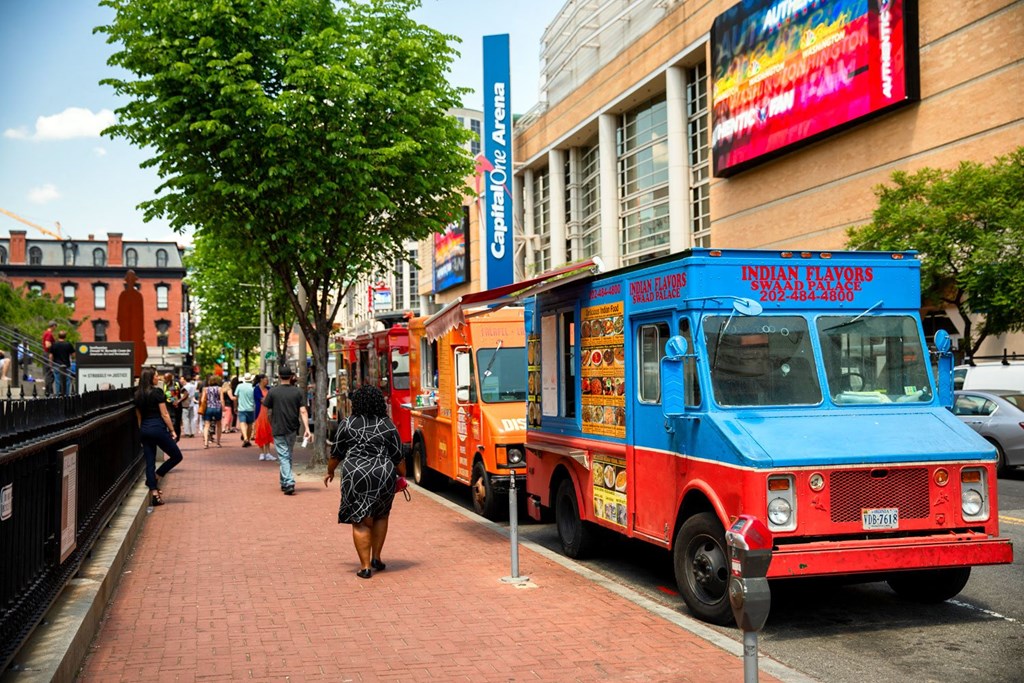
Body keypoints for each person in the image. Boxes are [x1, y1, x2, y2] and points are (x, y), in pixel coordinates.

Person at [324, 385, 404, 578]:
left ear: (356, 403)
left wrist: (330, 471)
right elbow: (398, 457)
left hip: (356, 474)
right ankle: (376, 557)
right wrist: (401, 475)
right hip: (382, 474)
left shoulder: (347, 424)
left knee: (360, 521)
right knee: (381, 515)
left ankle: (365, 567)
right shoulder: (387, 424)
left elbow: (336, 453)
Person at [133, 368, 183, 506]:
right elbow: (164, 414)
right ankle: (156, 477)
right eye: (156, 376)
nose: (158, 378)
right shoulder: (157, 392)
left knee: (150, 462)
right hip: (158, 428)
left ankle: (154, 493)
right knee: (177, 456)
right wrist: (172, 430)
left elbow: (139, 416)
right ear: (150, 378)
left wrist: (141, 432)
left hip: (145, 430)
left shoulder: (137, 394)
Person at [263, 366, 310, 495]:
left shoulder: (273, 392)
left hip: (277, 427)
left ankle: (288, 482)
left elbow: (266, 410)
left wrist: (269, 422)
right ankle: (285, 482)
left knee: (284, 455)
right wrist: (307, 428)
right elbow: (303, 411)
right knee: (287, 454)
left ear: (279, 376)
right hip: (292, 427)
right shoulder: (297, 392)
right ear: (291, 376)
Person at [117, 270, 147, 377]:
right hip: (127, 332)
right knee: (128, 351)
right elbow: (119, 316)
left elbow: (141, 316)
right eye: (129, 280)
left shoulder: (138, 296)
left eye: (131, 280)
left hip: (136, 331)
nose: (130, 282)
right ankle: (130, 372)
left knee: (136, 353)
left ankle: (136, 373)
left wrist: (141, 331)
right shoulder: (123, 296)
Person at [253, 373, 275, 461]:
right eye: (266, 379)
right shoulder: (256, 389)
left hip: (268, 412)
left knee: (268, 431)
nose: (267, 381)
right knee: (260, 431)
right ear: (261, 380)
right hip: (260, 413)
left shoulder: (269, 389)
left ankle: (268, 453)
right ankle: (262, 452)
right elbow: (262, 400)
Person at [49, 330, 76, 396]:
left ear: (58, 336)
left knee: (57, 381)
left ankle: (58, 395)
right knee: (67, 381)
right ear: (65, 337)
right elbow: (73, 354)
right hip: (67, 365)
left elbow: (51, 355)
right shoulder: (68, 344)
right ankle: (67, 395)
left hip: (56, 365)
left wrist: (51, 365)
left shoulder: (54, 344)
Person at [203, 375, 224, 448]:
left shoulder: (205, 389)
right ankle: (218, 443)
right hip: (217, 407)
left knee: (206, 425)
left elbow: (203, 400)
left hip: (208, 407)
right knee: (219, 424)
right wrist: (223, 409)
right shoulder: (220, 389)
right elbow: (222, 400)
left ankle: (206, 443)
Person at [235, 372, 255, 447]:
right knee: (250, 424)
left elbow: (236, 397)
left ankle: (245, 438)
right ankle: (248, 439)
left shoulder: (239, 386)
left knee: (242, 423)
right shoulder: (253, 387)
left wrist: (235, 406)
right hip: (251, 408)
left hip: (241, 408)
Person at [165, 372, 183, 438]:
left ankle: (176, 436)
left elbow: (184, 393)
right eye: (165, 378)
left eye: (166, 378)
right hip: (168, 407)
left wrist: (178, 401)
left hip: (177, 408)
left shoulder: (176, 384)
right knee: (172, 422)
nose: (165, 379)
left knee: (177, 423)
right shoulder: (164, 385)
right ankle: (173, 436)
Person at [42, 320, 56, 396]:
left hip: (45, 354)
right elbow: (47, 344)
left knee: (49, 372)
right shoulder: (49, 334)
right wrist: (55, 345)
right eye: (55, 326)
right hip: (48, 354)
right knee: (49, 373)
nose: (55, 328)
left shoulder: (46, 332)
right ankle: (49, 391)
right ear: (53, 326)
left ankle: (49, 391)